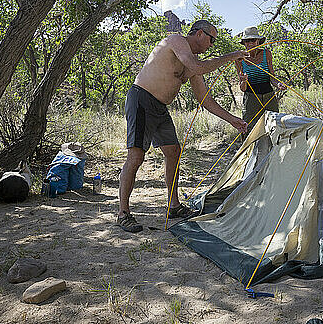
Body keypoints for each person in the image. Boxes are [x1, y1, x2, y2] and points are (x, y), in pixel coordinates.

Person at [117, 20, 249, 233]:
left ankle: (174, 205)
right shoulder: (176, 40)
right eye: (211, 39)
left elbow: (204, 99)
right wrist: (231, 56)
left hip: (160, 108)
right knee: (136, 156)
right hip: (141, 99)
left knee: (173, 152)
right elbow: (198, 67)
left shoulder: (193, 62)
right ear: (199, 33)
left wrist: (232, 119)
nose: (212, 44)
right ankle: (123, 213)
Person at [234, 26, 285, 135]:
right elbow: (243, 88)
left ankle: (272, 151)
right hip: (251, 99)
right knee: (250, 129)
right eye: (247, 41)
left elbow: (272, 77)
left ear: (258, 41)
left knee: (274, 126)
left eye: (253, 40)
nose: (250, 43)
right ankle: (250, 151)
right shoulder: (239, 58)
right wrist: (243, 81)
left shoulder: (267, 54)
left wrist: (278, 84)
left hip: (269, 96)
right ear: (244, 43)